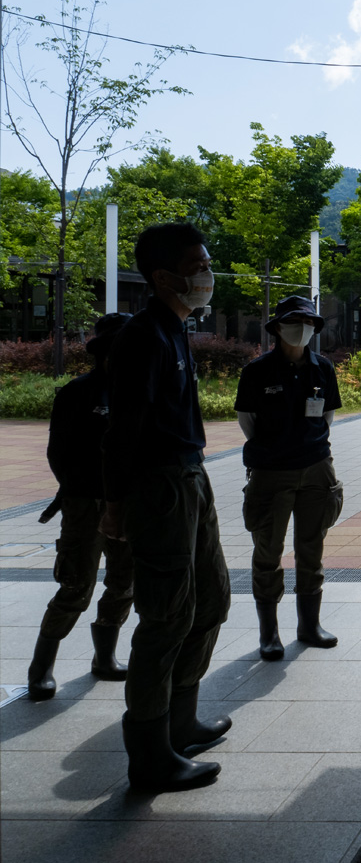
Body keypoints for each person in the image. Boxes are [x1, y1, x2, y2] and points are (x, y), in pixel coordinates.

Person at [100, 223, 231, 793]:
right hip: (159, 487)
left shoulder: (176, 328)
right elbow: (123, 428)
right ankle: (150, 751)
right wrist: (114, 504)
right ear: (163, 277)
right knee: (167, 616)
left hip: (189, 476)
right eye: (197, 266)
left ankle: (182, 719)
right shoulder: (144, 337)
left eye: (206, 263)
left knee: (213, 598)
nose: (207, 274)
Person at [26, 313, 135, 702]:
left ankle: (104, 658)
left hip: (131, 501)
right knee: (75, 585)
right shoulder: (77, 393)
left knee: (124, 583)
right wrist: (76, 493)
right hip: (85, 503)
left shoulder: (140, 393)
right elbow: (59, 453)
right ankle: (40, 669)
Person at [235, 296, 344, 662]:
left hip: (316, 468)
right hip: (270, 471)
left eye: (310, 322)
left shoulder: (322, 368)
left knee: (311, 548)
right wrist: (273, 449)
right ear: (278, 327)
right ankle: (270, 634)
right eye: (296, 321)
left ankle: (309, 626)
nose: (304, 328)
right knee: (268, 550)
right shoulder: (257, 371)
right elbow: (247, 421)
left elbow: (326, 415)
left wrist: (309, 446)